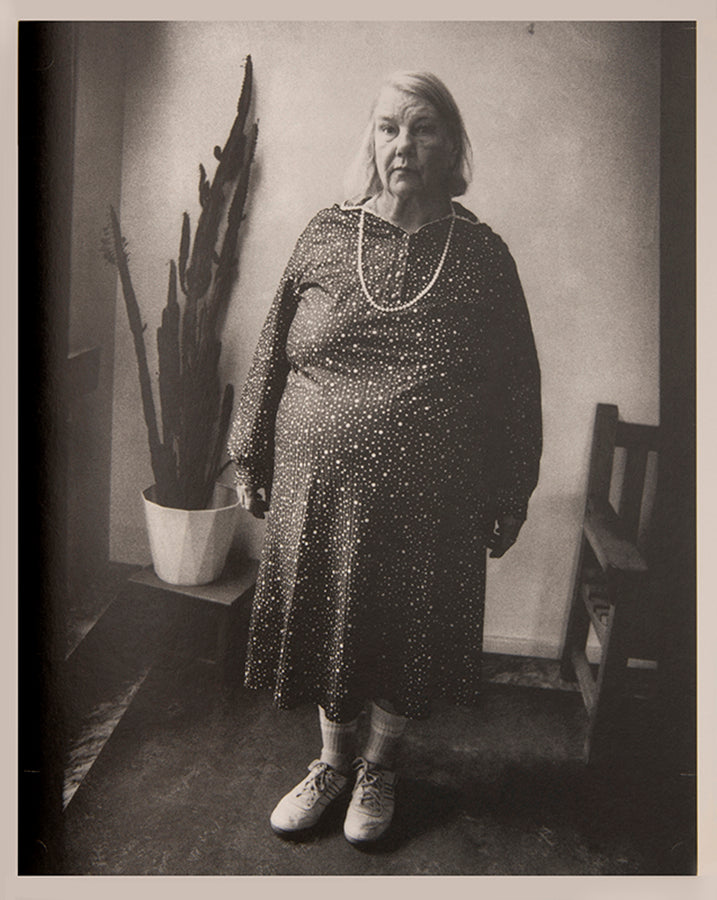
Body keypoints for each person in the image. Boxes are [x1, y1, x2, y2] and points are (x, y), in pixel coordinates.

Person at [227, 69, 542, 846]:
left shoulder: (482, 255)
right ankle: (331, 763)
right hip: (317, 489)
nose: (403, 144)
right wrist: (249, 454)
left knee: (407, 627)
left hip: (432, 498)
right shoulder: (325, 234)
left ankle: (379, 768)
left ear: (450, 143)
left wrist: (512, 490)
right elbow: (270, 351)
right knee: (330, 621)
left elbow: (517, 386)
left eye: (423, 127)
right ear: (371, 139)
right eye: (389, 127)